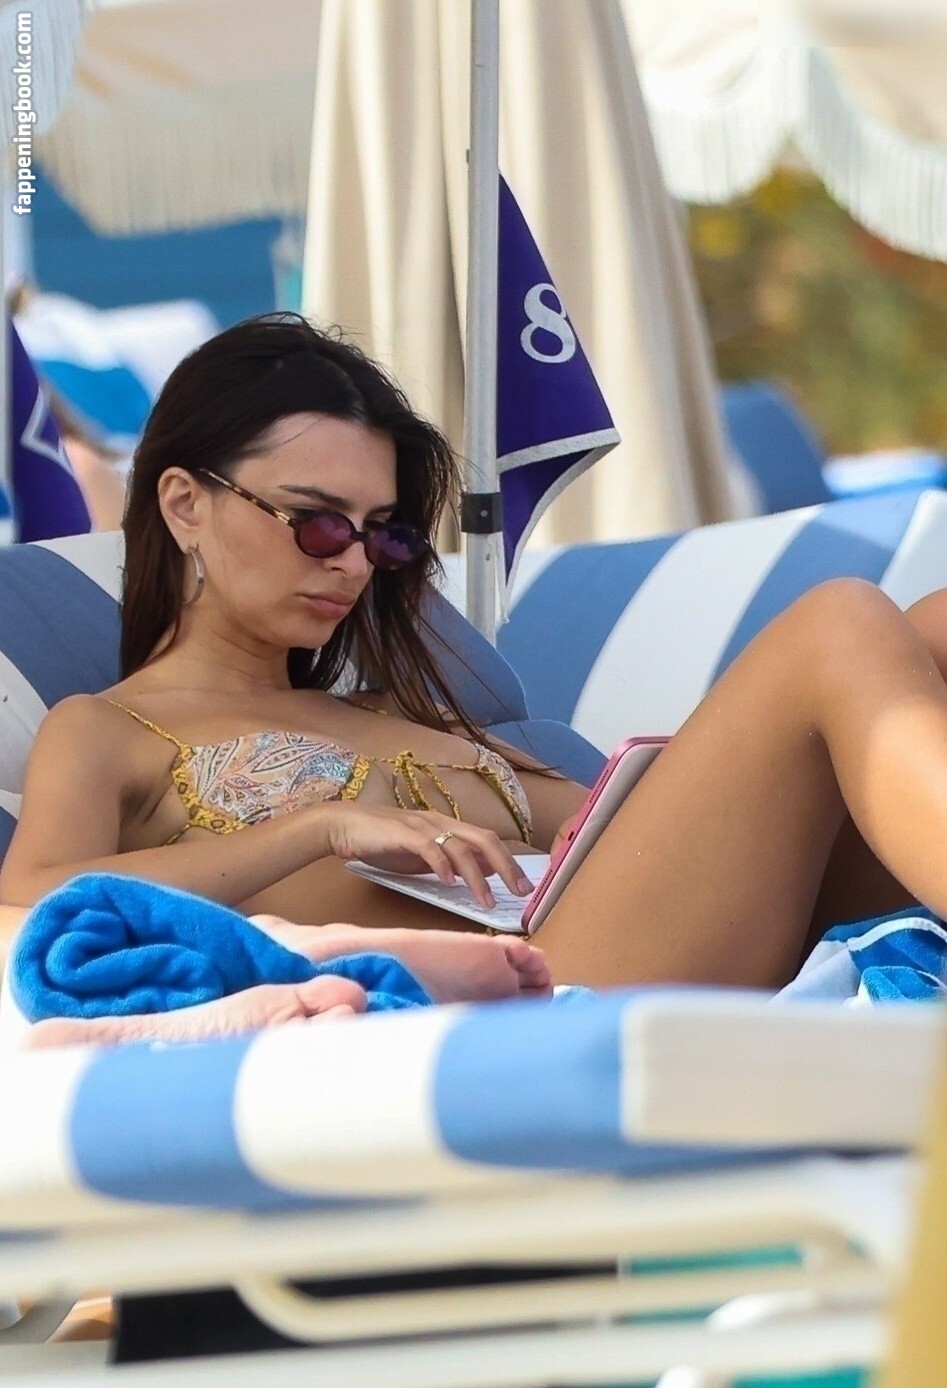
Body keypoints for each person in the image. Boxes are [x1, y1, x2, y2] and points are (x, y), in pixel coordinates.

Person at [3, 313, 947, 1042]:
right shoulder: (111, 729)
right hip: (528, 1005)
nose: (353, 562)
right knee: (838, 623)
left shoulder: (403, 712)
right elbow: (26, 912)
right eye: (318, 521)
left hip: (638, 931)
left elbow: (626, 837)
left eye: (382, 535)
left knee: (933, 625)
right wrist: (314, 828)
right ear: (183, 503)